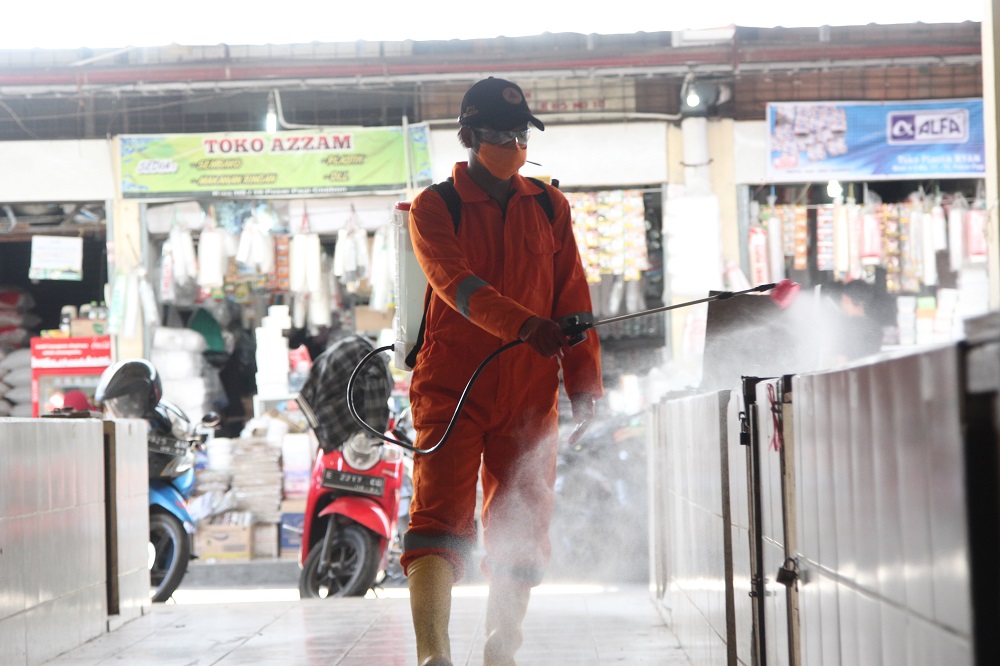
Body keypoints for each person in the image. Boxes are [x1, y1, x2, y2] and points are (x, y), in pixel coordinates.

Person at [401, 77, 603, 666]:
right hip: (452, 390)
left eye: (520, 134)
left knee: (524, 517)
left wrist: (585, 384)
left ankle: (501, 648)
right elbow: (455, 285)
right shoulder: (435, 206)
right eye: (498, 134)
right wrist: (523, 325)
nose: (512, 145)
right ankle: (433, 656)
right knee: (439, 519)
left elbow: (573, 300)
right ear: (468, 136)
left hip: (529, 394)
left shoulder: (549, 205)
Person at [297, 332, 393, 453]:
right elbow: (375, 403)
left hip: (310, 398)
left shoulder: (361, 344)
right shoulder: (377, 366)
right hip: (327, 416)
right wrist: (376, 439)